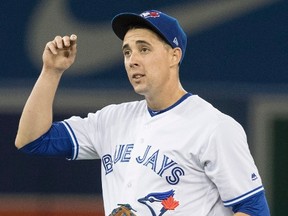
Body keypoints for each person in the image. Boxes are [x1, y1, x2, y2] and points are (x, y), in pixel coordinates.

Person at [15, 10, 270, 216]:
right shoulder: (111, 120)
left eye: (144, 49)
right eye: (127, 51)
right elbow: (33, 140)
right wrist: (51, 71)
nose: (132, 60)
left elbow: (253, 209)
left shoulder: (214, 126)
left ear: (174, 55)